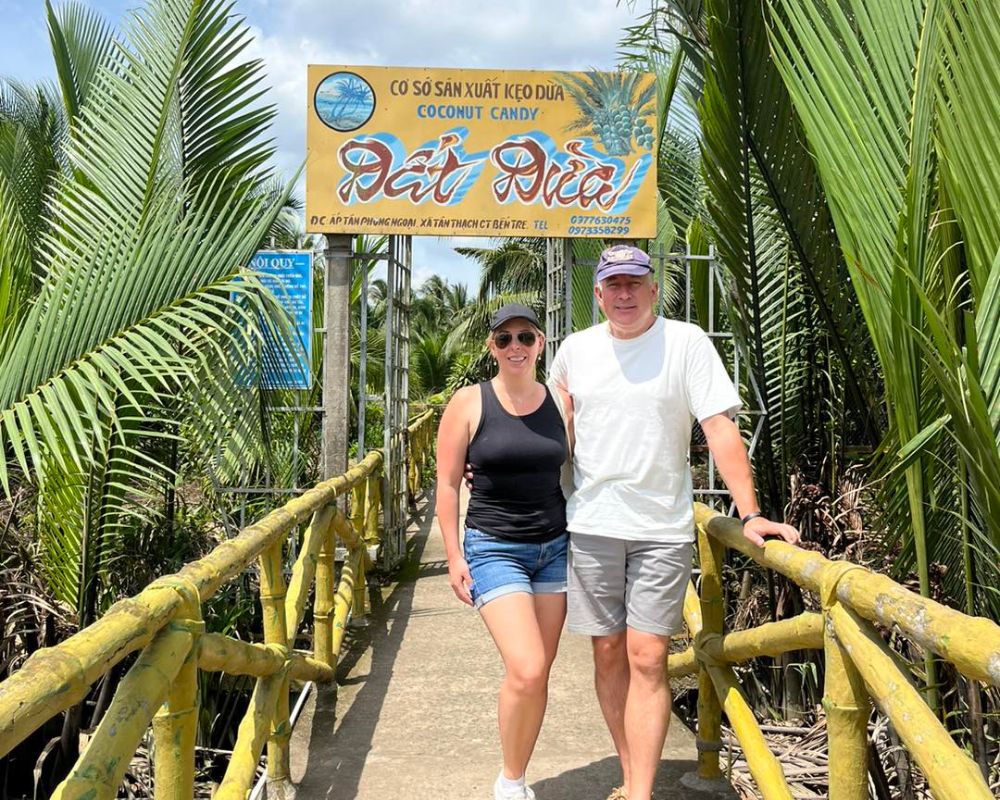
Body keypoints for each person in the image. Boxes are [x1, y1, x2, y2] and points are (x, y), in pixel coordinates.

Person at [546, 244, 800, 800]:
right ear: (598, 294)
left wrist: (750, 514)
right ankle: (630, 770)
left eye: (635, 283)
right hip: (590, 523)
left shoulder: (686, 342)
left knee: (648, 655)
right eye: (614, 285)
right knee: (608, 652)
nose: (625, 294)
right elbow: (555, 437)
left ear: (654, 289)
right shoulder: (573, 352)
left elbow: (719, 427)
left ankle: (639, 794)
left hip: (661, 527)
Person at [435, 302, 571, 800]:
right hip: (494, 548)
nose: (516, 346)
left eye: (526, 337)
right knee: (528, 666)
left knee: (537, 675)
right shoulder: (468, 403)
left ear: (540, 344)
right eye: (505, 338)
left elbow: (579, 467)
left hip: (554, 548)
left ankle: (516, 771)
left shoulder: (561, 400)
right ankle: (509, 784)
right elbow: (447, 486)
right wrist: (454, 555)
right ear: (491, 346)